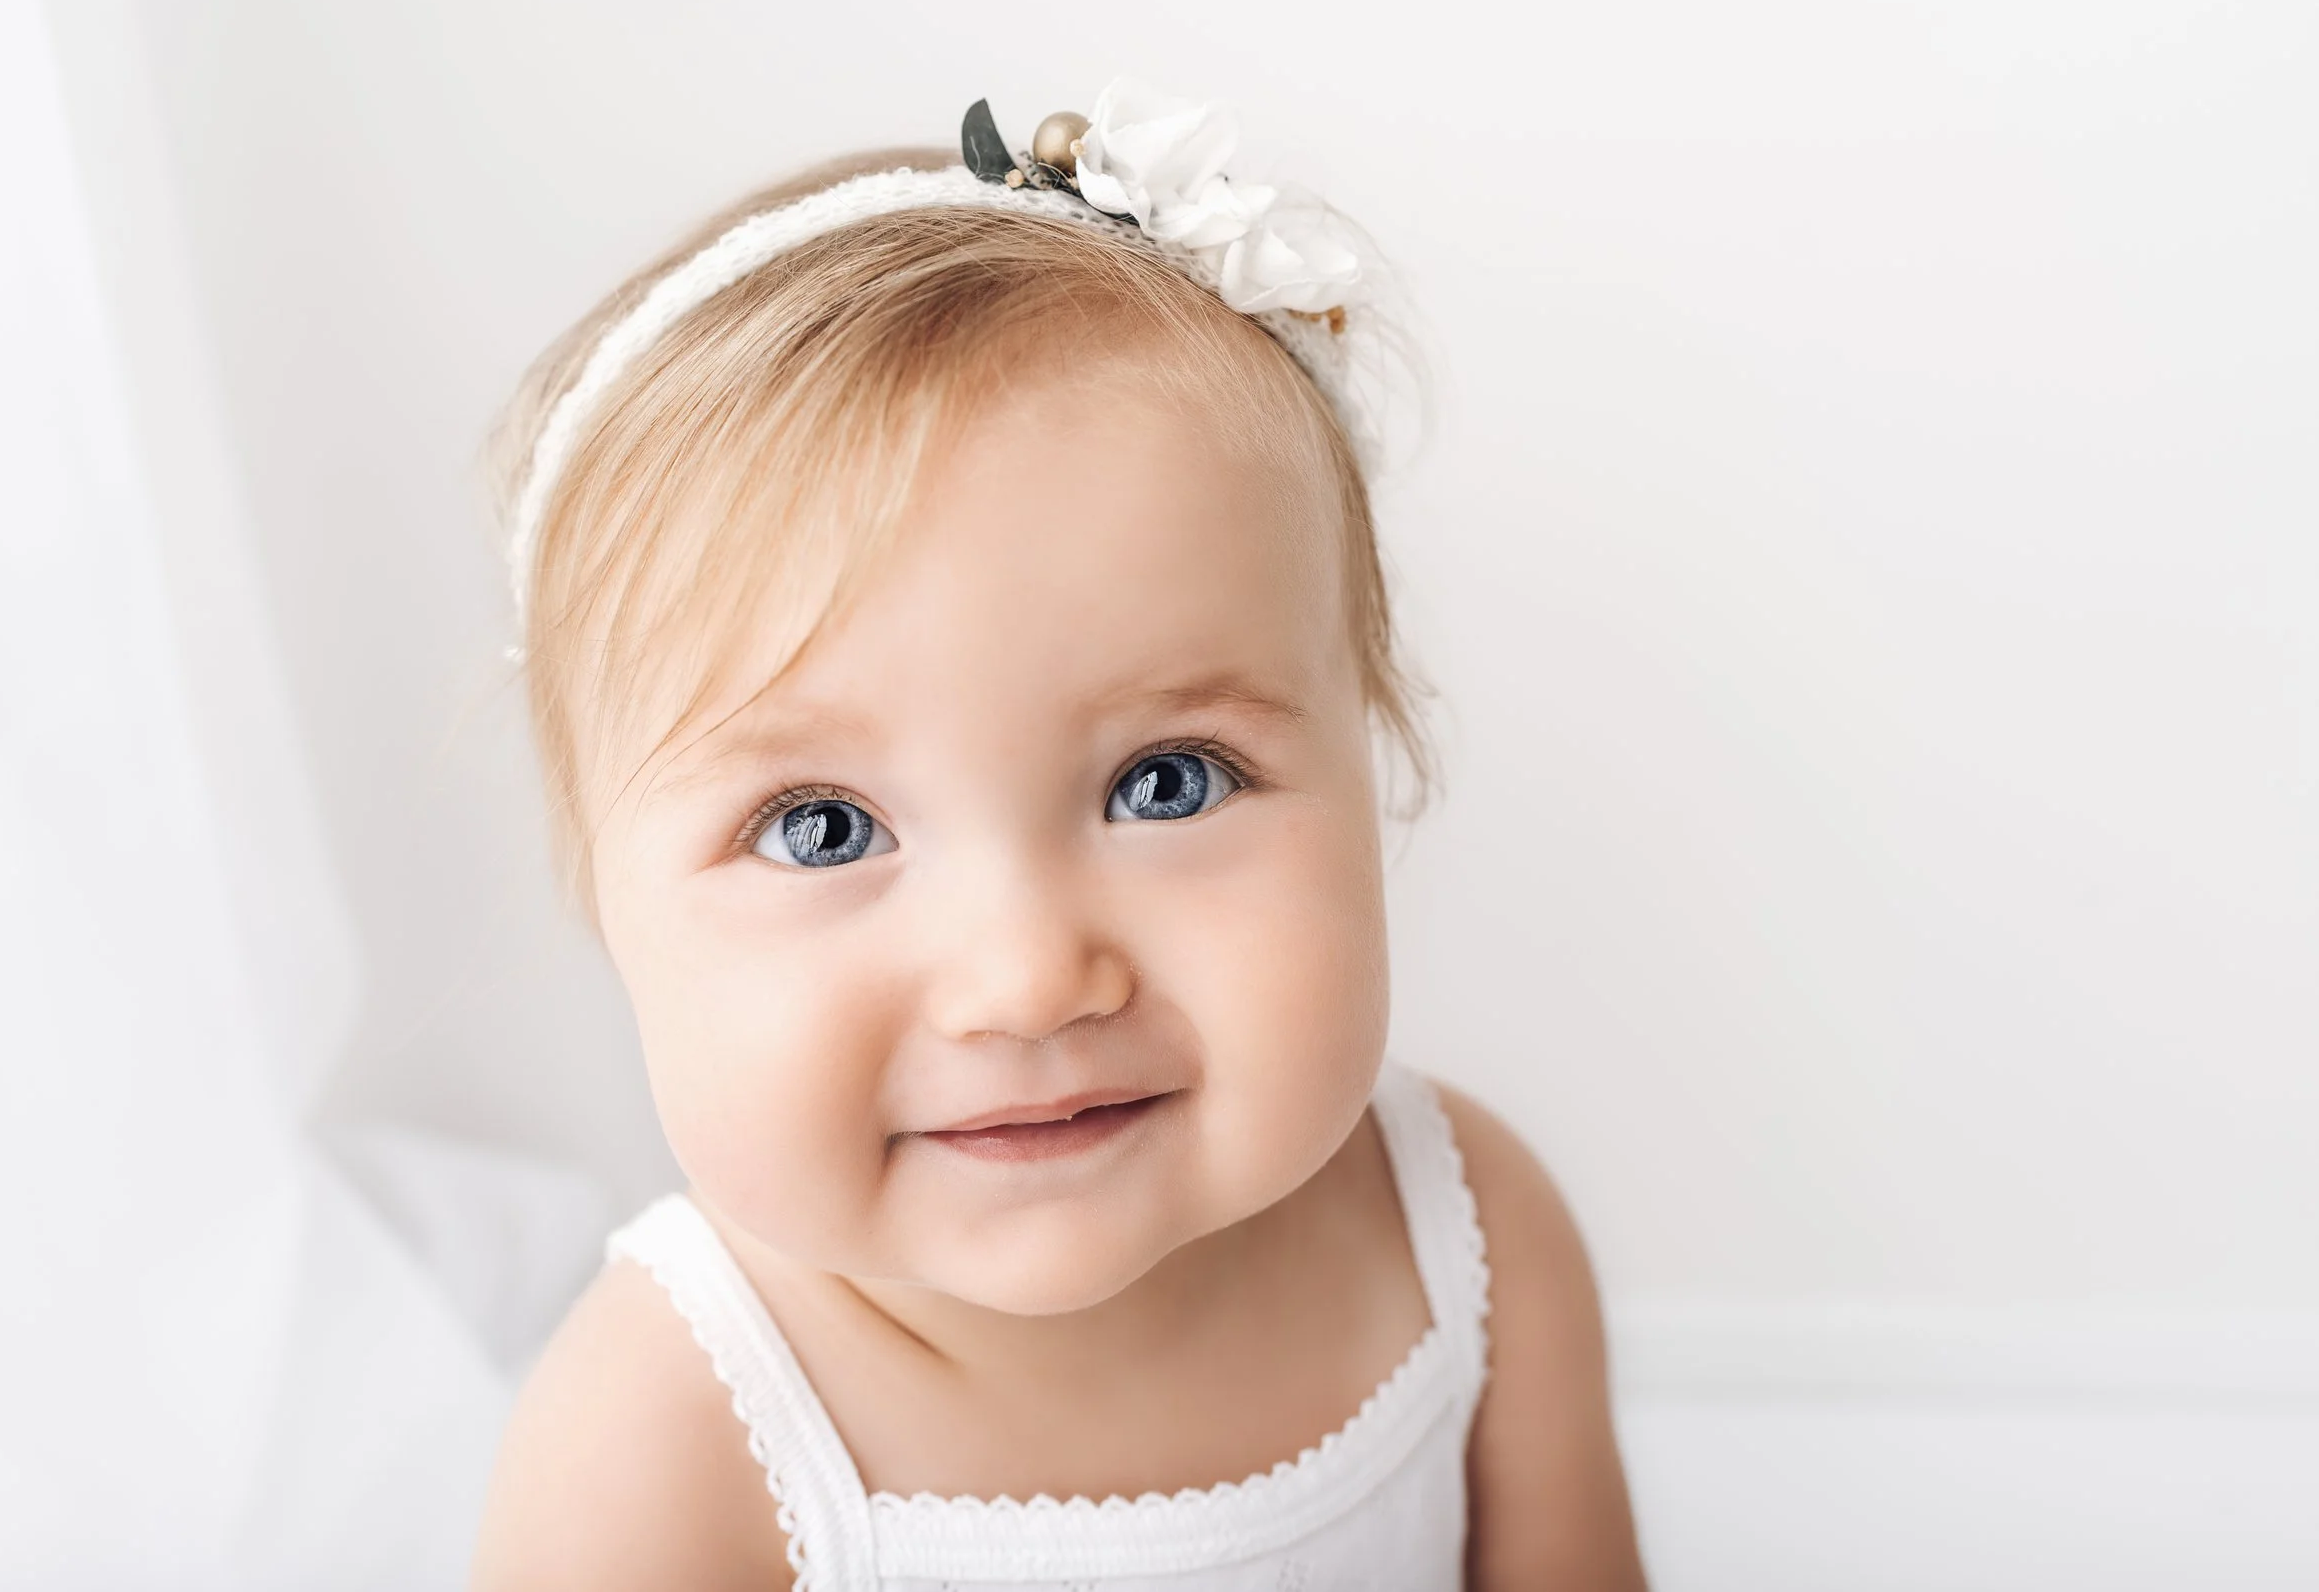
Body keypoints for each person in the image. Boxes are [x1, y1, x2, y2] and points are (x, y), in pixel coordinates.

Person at [468, 79, 1645, 1591]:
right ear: (603, 900)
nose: (1027, 981)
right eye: (825, 829)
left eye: (1168, 783)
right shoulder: (666, 1433)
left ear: (1376, 748)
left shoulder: (1470, 1243)